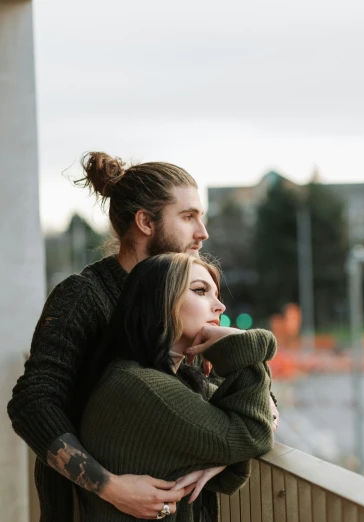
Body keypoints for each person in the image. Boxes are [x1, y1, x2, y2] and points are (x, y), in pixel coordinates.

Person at [7, 151, 278, 520]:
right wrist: (110, 486)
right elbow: (32, 402)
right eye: (188, 217)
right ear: (146, 221)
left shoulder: (184, 303)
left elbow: (258, 404)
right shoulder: (84, 296)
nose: (203, 233)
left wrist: (226, 452)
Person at [77, 253, 277, 521]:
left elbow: (257, 416)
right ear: (160, 302)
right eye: (200, 291)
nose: (219, 306)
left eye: (217, 295)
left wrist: (226, 457)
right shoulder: (142, 387)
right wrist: (241, 343)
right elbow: (253, 431)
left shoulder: (173, 379)